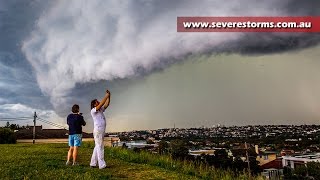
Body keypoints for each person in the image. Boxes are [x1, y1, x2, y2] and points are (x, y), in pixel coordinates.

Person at [90, 89, 111, 169]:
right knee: (100, 146)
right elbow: (102, 103)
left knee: (97, 146)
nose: (98, 102)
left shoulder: (100, 110)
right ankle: (101, 165)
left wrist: (109, 96)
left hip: (101, 130)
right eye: (97, 101)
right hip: (98, 130)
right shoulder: (93, 111)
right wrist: (105, 96)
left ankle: (93, 163)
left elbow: (106, 104)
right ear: (94, 104)